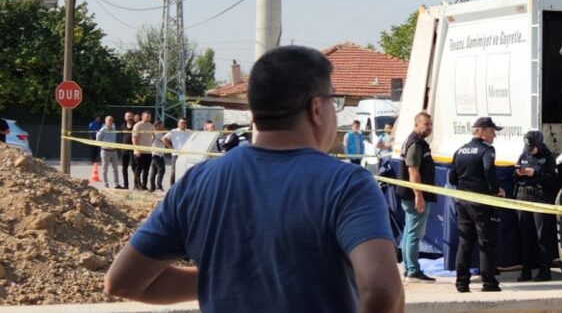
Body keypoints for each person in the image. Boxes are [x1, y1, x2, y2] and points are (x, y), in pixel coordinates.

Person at [104, 46, 403, 313]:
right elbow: (382, 292)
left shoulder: (198, 183)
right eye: (332, 102)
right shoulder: (348, 184)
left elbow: (123, 282)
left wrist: (227, 279)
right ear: (316, 108)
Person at [448, 117, 504, 293]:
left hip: (463, 201)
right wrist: (495, 190)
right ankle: (489, 283)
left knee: (465, 243)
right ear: (481, 130)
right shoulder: (487, 150)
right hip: (482, 202)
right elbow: (488, 170)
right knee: (487, 243)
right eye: (492, 130)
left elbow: (452, 177)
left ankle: (461, 283)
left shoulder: (460, 151)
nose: (494, 135)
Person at [513, 130, 559, 282]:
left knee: (542, 236)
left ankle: (544, 271)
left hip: (540, 198)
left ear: (539, 144)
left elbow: (553, 180)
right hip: (523, 197)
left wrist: (535, 174)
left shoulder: (548, 157)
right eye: (528, 147)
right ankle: (526, 270)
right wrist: (518, 173)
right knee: (524, 237)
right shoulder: (524, 155)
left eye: (532, 147)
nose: (530, 150)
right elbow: (514, 175)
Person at [397, 111, 437, 283]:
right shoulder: (415, 144)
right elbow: (413, 170)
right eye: (425, 124)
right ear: (416, 124)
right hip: (413, 196)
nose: (429, 128)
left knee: (409, 232)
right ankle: (413, 270)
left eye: (430, 124)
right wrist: (418, 195)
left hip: (409, 194)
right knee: (414, 233)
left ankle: (409, 268)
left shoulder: (417, 142)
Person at [162, 118, 191, 186]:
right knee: (174, 170)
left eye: (185, 123)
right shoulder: (174, 131)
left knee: (186, 170)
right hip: (176, 154)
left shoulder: (189, 132)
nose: (183, 124)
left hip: (186, 154)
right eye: (182, 123)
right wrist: (171, 148)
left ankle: (184, 185)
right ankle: (172, 186)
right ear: (178, 124)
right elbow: (164, 138)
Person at [132, 111, 156, 191]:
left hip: (148, 151)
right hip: (139, 151)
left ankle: (144, 185)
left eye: (149, 117)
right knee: (138, 169)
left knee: (146, 170)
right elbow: (134, 138)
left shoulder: (151, 126)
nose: (149, 118)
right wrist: (137, 149)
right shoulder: (138, 125)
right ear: (142, 117)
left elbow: (153, 136)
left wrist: (150, 143)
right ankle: (137, 185)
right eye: (147, 116)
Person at [96, 116, 122, 189]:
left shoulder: (114, 129)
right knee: (105, 169)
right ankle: (105, 183)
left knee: (115, 168)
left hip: (114, 151)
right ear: (105, 121)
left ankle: (117, 184)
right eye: (109, 120)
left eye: (112, 120)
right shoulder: (102, 130)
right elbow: (98, 140)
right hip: (105, 151)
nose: (111, 122)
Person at [148, 120, 167, 192]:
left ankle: (152, 187)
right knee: (161, 169)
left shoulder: (156, 133)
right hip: (157, 154)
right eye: (161, 125)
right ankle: (159, 186)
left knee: (154, 171)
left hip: (157, 154)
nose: (163, 126)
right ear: (157, 126)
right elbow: (164, 140)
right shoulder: (158, 133)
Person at [120, 112, 136, 190]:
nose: (129, 117)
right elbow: (122, 136)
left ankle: (136, 184)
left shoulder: (136, 125)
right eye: (128, 116)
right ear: (125, 117)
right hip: (124, 150)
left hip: (133, 150)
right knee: (124, 168)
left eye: (131, 116)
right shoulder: (122, 126)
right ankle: (126, 185)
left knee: (134, 167)